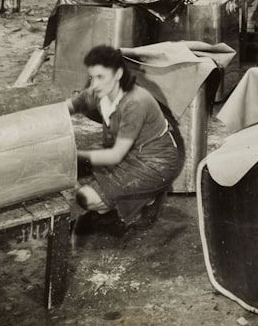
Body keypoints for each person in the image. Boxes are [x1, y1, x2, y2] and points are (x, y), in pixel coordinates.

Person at [68, 45, 183, 235]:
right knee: (81, 178)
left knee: (86, 196)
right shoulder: (100, 92)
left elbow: (115, 155)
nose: (94, 84)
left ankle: (148, 199)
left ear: (118, 74)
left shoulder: (135, 101)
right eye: (92, 77)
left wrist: (71, 157)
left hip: (155, 162)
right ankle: (130, 198)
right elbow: (72, 105)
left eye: (101, 77)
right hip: (130, 154)